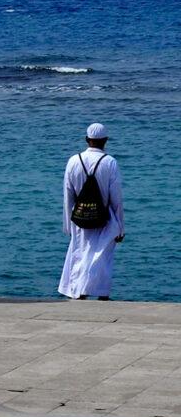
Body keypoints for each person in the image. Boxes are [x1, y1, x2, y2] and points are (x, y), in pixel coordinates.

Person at [59, 123, 124, 300]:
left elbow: (68, 194)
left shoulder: (73, 160)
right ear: (105, 141)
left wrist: (68, 224)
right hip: (105, 218)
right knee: (102, 256)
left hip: (79, 217)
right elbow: (116, 198)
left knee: (79, 253)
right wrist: (120, 226)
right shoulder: (110, 162)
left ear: (87, 140)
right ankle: (101, 293)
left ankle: (78, 291)